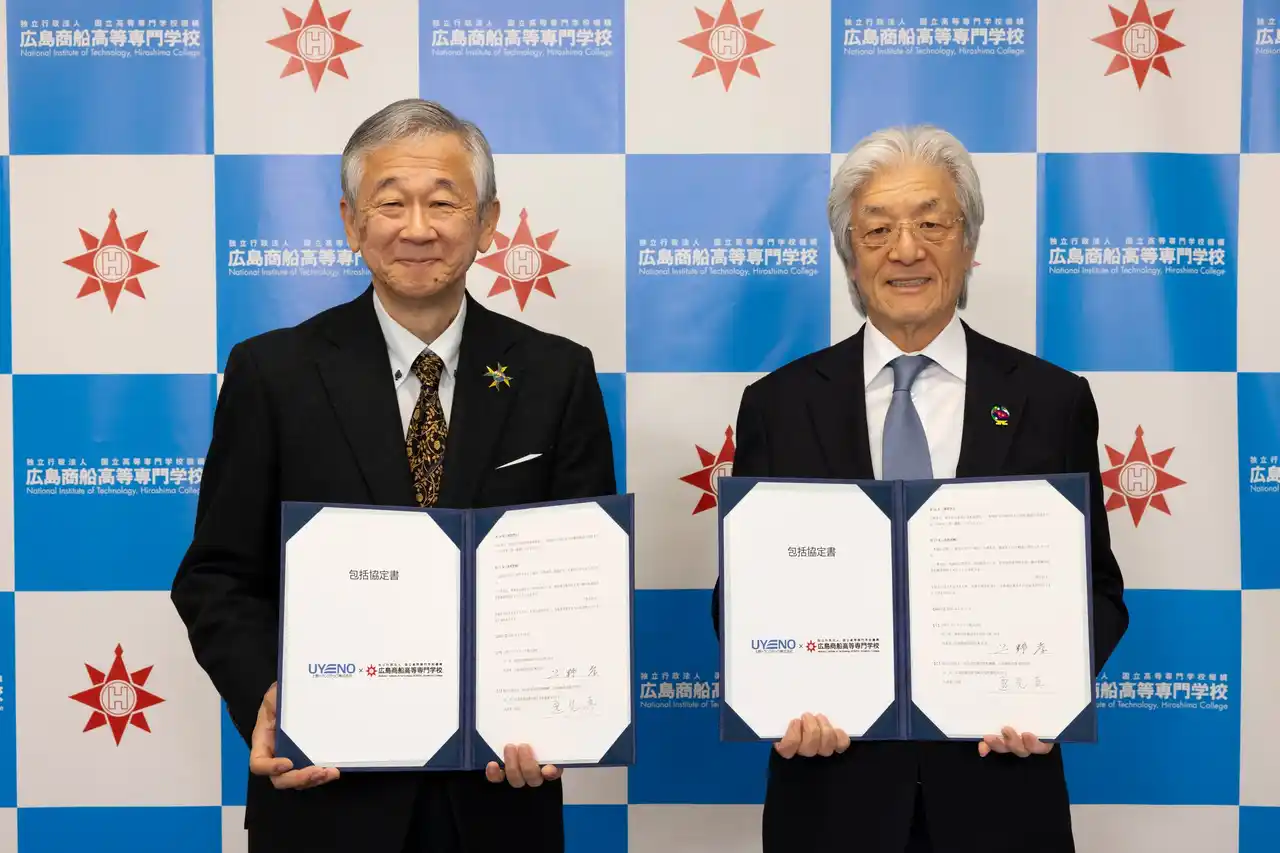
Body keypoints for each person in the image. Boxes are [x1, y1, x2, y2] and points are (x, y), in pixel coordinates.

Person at [171, 99, 616, 853]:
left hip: (497, 796)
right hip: (327, 793)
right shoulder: (272, 373)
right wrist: (269, 696)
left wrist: (559, 710)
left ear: (488, 221)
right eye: (390, 203)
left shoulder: (557, 375)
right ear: (351, 222)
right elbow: (217, 574)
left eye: (443, 203)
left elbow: (581, 581)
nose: (417, 229)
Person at [710, 125, 1129, 853]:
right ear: (849, 254)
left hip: (1002, 792)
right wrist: (783, 696)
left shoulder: (1052, 399)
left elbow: (1098, 591)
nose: (906, 250)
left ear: (969, 242)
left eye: (932, 223)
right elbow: (742, 597)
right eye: (878, 229)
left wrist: (1046, 692)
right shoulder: (778, 404)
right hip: (832, 795)